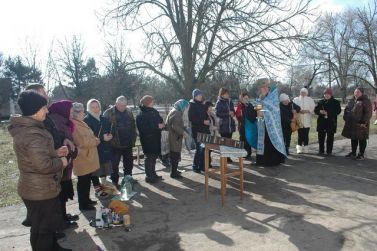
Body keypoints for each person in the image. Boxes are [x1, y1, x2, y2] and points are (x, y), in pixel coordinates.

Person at [8, 91, 71, 251]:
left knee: (42, 226)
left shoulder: (30, 129)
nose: (47, 111)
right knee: (44, 229)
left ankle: (53, 247)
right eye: (44, 107)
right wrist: (61, 162)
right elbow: (43, 166)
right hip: (40, 190)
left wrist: (55, 153)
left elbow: (33, 157)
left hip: (37, 187)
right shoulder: (32, 134)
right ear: (35, 110)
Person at [25, 84, 79, 232]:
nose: (47, 96)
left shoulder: (45, 115)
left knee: (58, 199)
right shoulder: (33, 123)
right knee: (46, 218)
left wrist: (64, 140)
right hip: (46, 172)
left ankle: (60, 221)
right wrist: (58, 157)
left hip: (55, 163)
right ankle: (57, 227)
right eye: (43, 93)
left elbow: (53, 134)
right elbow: (41, 151)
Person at [48, 100, 79, 229]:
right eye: (70, 110)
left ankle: (64, 216)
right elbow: (58, 141)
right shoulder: (57, 121)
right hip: (60, 164)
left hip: (65, 163)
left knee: (63, 194)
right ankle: (61, 221)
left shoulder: (63, 120)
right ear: (63, 110)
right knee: (60, 194)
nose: (72, 112)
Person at [245, 78, 286, 166]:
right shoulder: (259, 99)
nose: (264, 89)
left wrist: (265, 114)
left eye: (266, 87)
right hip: (261, 125)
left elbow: (275, 111)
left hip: (272, 126)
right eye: (262, 88)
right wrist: (258, 112)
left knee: (270, 143)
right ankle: (261, 161)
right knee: (262, 142)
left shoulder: (273, 99)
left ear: (268, 88)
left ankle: (273, 161)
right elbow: (258, 113)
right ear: (260, 89)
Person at [71, 102, 100, 210]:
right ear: (77, 113)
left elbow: (88, 136)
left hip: (87, 157)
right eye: (83, 111)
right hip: (82, 158)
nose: (84, 113)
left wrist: (94, 139)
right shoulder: (74, 124)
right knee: (83, 182)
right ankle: (83, 204)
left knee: (86, 181)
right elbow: (81, 142)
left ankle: (86, 200)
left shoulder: (80, 122)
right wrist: (95, 141)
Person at [104, 96, 137, 186]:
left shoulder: (129, 111)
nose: (122, 107)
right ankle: (115, 181)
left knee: (129, 163)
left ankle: (128, 179)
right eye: (120, 105)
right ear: (116, 104)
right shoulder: (108, 113)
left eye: (124, 105)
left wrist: (134, 137)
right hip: (114, 144)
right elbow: (104, 127)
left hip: (128, 143)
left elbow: (133, 125)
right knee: (114, 164)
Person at [84, 99, 113, 198]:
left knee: (103, 168)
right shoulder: (86, 120)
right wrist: (102, 138)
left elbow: (109, 129)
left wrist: (110, 135)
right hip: (93, 148)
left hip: (104, 148)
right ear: (88, 108)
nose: (95, 109)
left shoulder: (103, 118)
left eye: (97, 107)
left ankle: (104, 186)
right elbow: (87, 136)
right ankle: (98, 190)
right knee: (95, 170)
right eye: (93, 107)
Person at [136, 95, 165, 183]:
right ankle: (149, 176)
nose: (153, 102)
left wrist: (162, 123)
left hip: (156, 138)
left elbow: (159, 119)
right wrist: (157, 126)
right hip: (147, 140)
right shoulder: (141, 114)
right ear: (147, 103)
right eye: (152, 101)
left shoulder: (154, 111)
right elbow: (143, 128)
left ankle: (153, 174)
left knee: (154, 156)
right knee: (149, 158)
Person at [342, 87, 373, 160]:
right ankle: (353, 153)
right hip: (352, 123)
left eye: (358, 92)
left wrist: (364, 122)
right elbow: (346, 110)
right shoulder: (352, 101)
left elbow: (368, 113)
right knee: (353, 138)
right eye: (355, 92)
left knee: (362, 139)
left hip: (361, 124)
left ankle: (361, 154)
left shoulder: (365, 101)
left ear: (362, 93)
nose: (356, 93)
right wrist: (345, 117)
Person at [166, 99, 190, 179]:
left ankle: (174, 170)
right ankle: (173, 173)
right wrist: (183, 132)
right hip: (174, 137)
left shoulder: (175, 110)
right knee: (175, 155)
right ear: (182, 106)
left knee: (175, 155)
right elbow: (175, 126)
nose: (186, 109)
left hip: (174, 137)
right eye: (186, 107)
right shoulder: (176, 113)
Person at [314, 88, 341, 156]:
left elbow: (338, 111)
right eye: (325, 94)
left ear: (331, 95)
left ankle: (329, 151)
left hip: (331, 122)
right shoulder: (320, 102)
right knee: (321, 138)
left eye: (328, 94)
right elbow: (315, 110)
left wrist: (328, 113)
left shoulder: (336, 102)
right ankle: (321, 151)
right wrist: (320, 111)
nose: (326, 95)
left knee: (330, 138)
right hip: (321, 122)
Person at [188, 89, 210, 173]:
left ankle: (202, 166)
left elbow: (205, 116)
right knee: (199, 149)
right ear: (194, 96)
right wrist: (202, 121)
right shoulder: (192, 105)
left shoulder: (202, 105)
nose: (200, 96)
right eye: (198, 95)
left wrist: (207, 121)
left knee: (204, 149)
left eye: (201, 95)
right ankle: (195, 166)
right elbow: (192, 118)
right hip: (197, 131)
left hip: (205, 130)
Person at [293, 88, 315, 154]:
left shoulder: (310, 99)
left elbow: (313, 108)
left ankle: (306, 147)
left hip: (307, 119)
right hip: (299, 119)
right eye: (302, 92)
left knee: (306, 134)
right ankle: (299, 148)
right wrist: (299, 111)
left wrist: (308, 111)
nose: (303, 93)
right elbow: (293, 108)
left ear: (307, 93)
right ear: (300, 92)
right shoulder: (296, 99)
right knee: (300, 135)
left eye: (304, 92)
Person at [235, 92, 252, 159]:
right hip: (242, 125)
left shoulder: (250, 105)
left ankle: (248, 153)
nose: (246, 99)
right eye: (245, 98)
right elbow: (237, 115)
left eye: (247, 98)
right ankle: (242, 153)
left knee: (248, 139)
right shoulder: (240, 105)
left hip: (249, 126)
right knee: (242, 139)